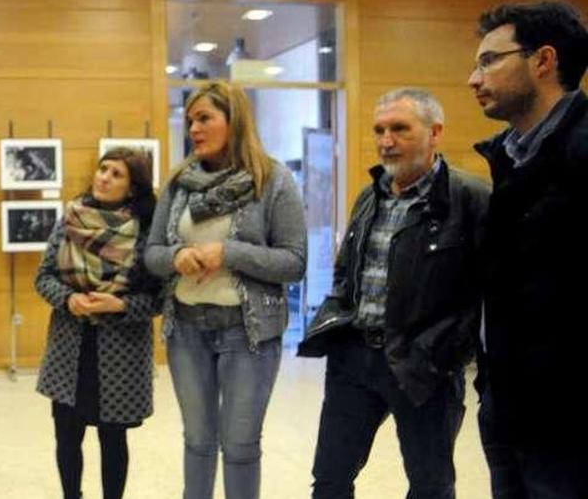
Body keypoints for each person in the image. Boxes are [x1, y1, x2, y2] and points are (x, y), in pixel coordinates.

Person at [301, 89, 488, 498]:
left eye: (400, 129)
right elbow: (346, 269)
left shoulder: (470, 198)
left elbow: (485, 290)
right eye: (380, 130)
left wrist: (449, 351)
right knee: (329, 479)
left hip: (424, 364)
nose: (386, 140)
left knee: (430, 484)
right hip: (353, 357)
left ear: (435, 132)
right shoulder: (370, 195)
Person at [144, 80, 306, 499]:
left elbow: (294, 262)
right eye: (190, 120)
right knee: (197, 441)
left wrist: (229, 252)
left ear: (234, 122)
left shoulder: (272, 179)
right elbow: (152, 254)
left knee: (239, 446)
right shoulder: (179, 182)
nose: (193, 129)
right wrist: (176, 257)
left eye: (205, 119)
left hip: (247, 334)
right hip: (186, 331)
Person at [468, 0, 588, 497]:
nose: (473, 78)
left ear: (543, 61)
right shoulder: (510, 157)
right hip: (508, 403)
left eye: (489, 60)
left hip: (569, 419)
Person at [35, 147, 160, 499]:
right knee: (67, 435)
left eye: (116, 174)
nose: (104, 177)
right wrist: (68, 299)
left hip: (120, 351)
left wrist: (119, 304)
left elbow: (159, 298)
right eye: (103, 169)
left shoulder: (147, 231)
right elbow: (43, 276)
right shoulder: (71, 218)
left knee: (113, 438)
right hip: (69, 346)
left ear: (133, 188)